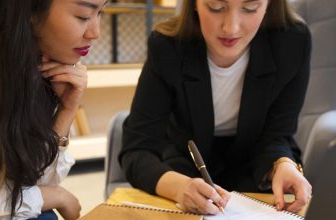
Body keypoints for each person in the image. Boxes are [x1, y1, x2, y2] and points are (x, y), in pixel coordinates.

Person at [119, 0, 313, 216]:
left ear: (270, 5)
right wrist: (179, 187)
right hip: (183, 165)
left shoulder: (293, 43)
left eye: (250, 9)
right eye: (216, 7)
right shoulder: (167, 46)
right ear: (194, 4)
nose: (231, 28)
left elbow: (277, 136)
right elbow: (136, 151)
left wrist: (283, 165)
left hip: (254, 169)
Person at [0, 0, 106, 219]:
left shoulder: (32, 61)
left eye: (101, 13)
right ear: (31, 10)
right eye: (83, 16)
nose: (95, 33)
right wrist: (57, 196)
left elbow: (31, 181)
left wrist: (66, 109)